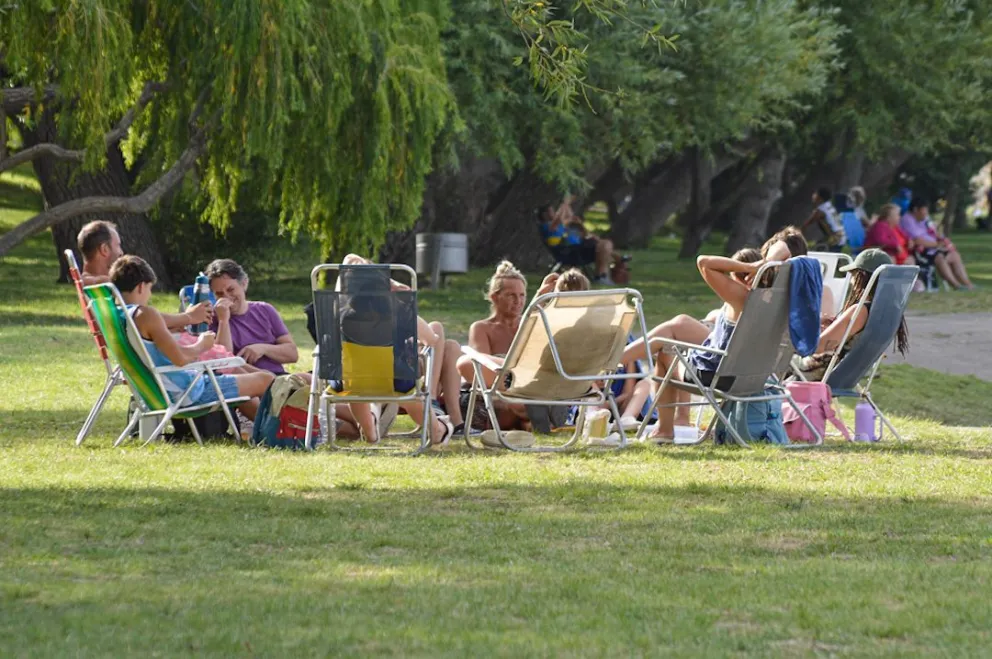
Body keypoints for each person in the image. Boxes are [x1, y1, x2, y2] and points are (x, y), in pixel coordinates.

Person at [109, 256, 274, 418]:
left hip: (153, 392)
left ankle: (278, 429)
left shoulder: (116, 317)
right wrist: (202, 344)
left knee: (258, 377)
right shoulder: (145, 314)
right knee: (265, 379)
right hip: (188, 392)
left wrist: (180, 321)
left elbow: (160, 326)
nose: (149, 295)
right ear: (140, 287)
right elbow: (180, 359)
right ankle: (283, 432)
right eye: (149, 289)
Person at [641, 248, 766, 442]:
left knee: (666, 353)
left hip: (720, 378)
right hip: (757, 378)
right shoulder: (772, 302)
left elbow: (704, 261)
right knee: (679, 333)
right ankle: (617, 360)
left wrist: (749, 267)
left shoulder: (740, 299)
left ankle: (665, 430)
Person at [339, 253, 464, 431]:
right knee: (437, 331)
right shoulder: (399, 311)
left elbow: (348, 260)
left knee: (360, 386)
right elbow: (431, 340)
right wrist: (392, 287)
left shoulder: (340, 315)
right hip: (395, 380)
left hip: (352, 382)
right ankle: (437, 420)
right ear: (383, 285)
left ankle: (370, 433)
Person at [793, 249, 909, 381]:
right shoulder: (887, 311)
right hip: (847, 375)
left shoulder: (860, 311)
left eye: (853, 275)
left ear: (862, 276)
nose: (851, 282)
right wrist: (834, 326)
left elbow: (818, 347)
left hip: (819, 370)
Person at [77, 220, 214, 331]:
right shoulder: (104, 286)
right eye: (118, 245)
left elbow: (137, 321)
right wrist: (188, 317)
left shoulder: (92, 287)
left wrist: (178, 322)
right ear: (104, 249)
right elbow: (144, 317)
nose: (121, 252)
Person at [206, 259, 301, 375]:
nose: (226, 297)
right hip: (247, 381)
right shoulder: (212, 319)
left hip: (280, 378)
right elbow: (223, 362)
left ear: (244, 284)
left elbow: (292, 354)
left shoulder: (265, 310)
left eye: (231, 290)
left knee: (309, 380)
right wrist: (223, 321)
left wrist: (263, 348)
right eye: (219, 294)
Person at [537, 201, 626, 285]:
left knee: (603, 243)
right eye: (552, 211)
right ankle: (602, 274)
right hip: (571, 252)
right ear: (545, 215)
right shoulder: (547, 226)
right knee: (604, 246)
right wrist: (565, 202)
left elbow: (573, 222)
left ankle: (607, 271)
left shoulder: (561, 226)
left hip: (578, 249)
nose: (555, 213)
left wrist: (580, 225)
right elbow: (559, 218)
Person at [899, 198, 974, 290]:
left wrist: (945, 242)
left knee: (954, 255)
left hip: (934, 248)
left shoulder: (924, 219)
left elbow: (935, 232)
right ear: (915, 210)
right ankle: (957, 286)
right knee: (939, 258)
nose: (926, 212)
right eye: (924, 209)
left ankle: (969, 285)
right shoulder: (907, 220)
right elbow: (918, 241)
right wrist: (937, 244)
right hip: (920, 252)